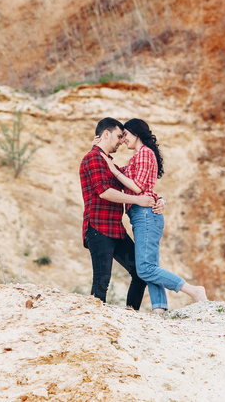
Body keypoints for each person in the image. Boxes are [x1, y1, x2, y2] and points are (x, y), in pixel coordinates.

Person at [94, 118, 208, 313]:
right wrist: (100, 153)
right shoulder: (138, 157)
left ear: (136, 134)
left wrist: (112, 168)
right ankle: (159, 309)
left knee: (145, 268)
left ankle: (193, 291)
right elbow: (124, 178)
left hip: (145, 214)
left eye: (126, 135)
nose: (122, 140)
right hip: (143, 214)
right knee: (150, 265)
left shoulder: (145, 153)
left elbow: (137, 187)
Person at [79, 117, 164, 309]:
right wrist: (137, 200)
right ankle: (96, 326)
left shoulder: (110, 164)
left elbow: (135, 183)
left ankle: (130, 316)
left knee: (140, 273)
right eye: (119, 136)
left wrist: (159, 200)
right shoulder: (92, 158)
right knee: (101, 283)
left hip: (115, 230)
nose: (121, 140)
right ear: (106, 134)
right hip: (98, 229)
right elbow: (104, 192)